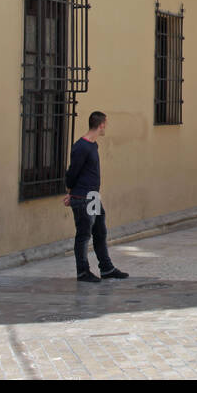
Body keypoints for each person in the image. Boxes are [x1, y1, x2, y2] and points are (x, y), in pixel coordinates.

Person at [64, 112, 129, 283]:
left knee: (99, 231)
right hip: (83, 196)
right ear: (101, 124)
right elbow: (72, 172)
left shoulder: (93, 146)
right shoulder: (81, 146)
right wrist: (70, 193)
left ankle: (106, 268)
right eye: (106, 123)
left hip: (92, 196)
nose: (106, 127)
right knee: (84, 234)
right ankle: (82, 271)